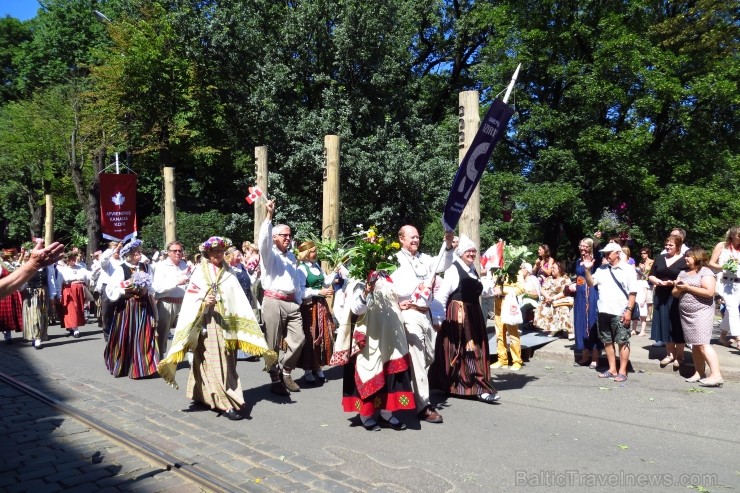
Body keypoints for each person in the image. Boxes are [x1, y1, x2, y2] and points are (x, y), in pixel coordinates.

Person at [157, 237, 275, 420]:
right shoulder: (199, 272)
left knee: (225, 361)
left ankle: (202, 395)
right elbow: (191, 296)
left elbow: (237, 298)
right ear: (207, 253)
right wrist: (203, 301)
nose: (219, 254)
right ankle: (225, 402)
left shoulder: (229, 272)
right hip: (206, 322)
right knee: (211, 360)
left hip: (226, 323)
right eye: (215, 251)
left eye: (221, 251)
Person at [331, 272, 416, 431]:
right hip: (372, 337)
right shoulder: (359, 278)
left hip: (390, 338)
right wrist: (367, 291)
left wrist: (399, 304)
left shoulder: (388, 277)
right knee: (370, 370)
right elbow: (357, 309)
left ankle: (386, 413)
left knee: (391, 373)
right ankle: (366, 415)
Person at [390, 225, 454, 424]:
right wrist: (411, 291)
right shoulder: (395, 260)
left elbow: (443, 264)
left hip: (426, 314)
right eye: (412, 237)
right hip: (409, 313)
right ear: (401, 239)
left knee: (428, 357)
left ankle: (407, 389)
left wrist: (449, 245)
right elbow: (391, 286)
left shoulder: (424, 259)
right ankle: (424, 406)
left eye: (417, 237)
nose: (416, 240)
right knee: (418, 359)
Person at [431, 235, 501, 402]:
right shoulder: (454, 269)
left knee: (475, 349)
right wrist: (438, 318)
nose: (472, 254)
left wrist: (493, 289)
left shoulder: (472, 269)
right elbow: (442, 295)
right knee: (467, 350)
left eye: (474, 251)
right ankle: (478, 388)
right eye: (468, 251)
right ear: (461, 252)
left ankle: (464, 386)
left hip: (474, 313)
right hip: (459, 315)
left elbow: (477, 290)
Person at [258, 199, 306, 395]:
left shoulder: (291, 256)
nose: (288, 238)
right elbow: (263, 240)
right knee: (272, 343)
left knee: (299, 339)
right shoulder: (270, 255)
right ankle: (274, 377)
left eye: (289, 235)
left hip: (291, 303)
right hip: (273, 302)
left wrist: (298, 300)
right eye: (284, 235)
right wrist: (269, 216)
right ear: (274, 237)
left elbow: (295, 281)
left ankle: (285, 371)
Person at [103, 240, 159, 379]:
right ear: (129, 255)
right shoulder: (121, 269)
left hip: (144, 306)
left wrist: (147, 289)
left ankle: (143, 368)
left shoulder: (146, 267)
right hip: (127, 307)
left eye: (139, 252)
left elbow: (153, 285)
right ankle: (124, 365)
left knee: (145, 335)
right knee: (126, 336)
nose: (139, 255)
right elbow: (112, 289)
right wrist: (126, 289)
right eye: (137, 253)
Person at [583, 242, 637, 382]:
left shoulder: (628, 269)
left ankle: (622, 371)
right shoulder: (601, 269)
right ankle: (612, 369)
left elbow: (633, 292)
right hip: (603, 311)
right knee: (607, 341)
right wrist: (587, 271)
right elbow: (590, 283)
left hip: (620, 311)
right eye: (605, 253)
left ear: (617, 253)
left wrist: (629, 311)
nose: (606, 255)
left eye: (609, 253)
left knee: (622, 341)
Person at [673, 248, 723, 387]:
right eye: (685, 256)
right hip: (686, 314)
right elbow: (675, 293)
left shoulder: (706, 272)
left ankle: (716, 375)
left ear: (697, 257)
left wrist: (688, 287)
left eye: (689, 256)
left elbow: (709, 292)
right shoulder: (683, 273)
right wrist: (679, 288)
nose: (686, 259)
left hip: (702, 312)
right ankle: (699, 372)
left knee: (702, 343)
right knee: (695, 343)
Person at [296, 241, 336, 385]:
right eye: (313, 251)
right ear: (306, 254)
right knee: (311, 336)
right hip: (309, 307)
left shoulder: (317, 266)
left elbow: (325, 283)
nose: (315, 253)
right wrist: (319, 291)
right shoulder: (301, 269)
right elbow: (300, 291)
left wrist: (335, 271)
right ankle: (308, 369)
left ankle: (318, 367)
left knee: (323, 335)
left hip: (321, 305)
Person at [648, 234, 687, 367]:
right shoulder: (660, 257)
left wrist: (674, 282)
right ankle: (670, 354)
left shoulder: (683, 259)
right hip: (661, 295)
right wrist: (658, 281)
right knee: (665, 324)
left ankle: (680, 356)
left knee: (677, 325)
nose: (667, 247)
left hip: (677, 295)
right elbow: (651, 275)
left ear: (678, 247)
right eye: (666, 244)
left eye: (671, 245)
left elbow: (688, 277)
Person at [152, 241, 190, 359]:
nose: (178, 253)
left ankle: (188, 357)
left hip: (184, 303)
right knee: (162, 333)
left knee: (187, 331)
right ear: (168, 253)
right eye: (175, 251)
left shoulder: (185, 265)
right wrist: (176, 282)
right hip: (167, 303)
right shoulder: (161, 266)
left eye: (180, 250)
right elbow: (157, 288)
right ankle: (159, 359)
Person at [568, 238, 602, 368]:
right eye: (580, 245)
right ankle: (584, 355)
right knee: (581, 322)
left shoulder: (596, 260)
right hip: (580, 295)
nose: (582, 248)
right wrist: (574, 284)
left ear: (590, 247)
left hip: (592, 292)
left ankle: (595, 357)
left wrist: (597, 239)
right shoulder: (578, 260)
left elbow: (598, 251)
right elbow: (579, 277)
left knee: (592, 322)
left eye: (585, 246)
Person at [708, 226, 740, 349]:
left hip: (739, 283)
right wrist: (724, 267)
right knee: (733, 309)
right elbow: (711, 263)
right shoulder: (722, 246)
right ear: (732, 235)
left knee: (730, 311)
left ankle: (722, 336)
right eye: (739, 236)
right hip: (726, 283)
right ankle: (738, 338)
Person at [20, 248, 58, 348]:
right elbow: (22, 282)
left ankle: (40, 335)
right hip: (32, 294)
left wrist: (52, 296)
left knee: (43, 316)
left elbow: (51, 281)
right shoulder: (27, 267)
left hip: (43, 294)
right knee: (34, 316)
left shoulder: (47, 267)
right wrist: (24, 289)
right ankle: (36, 338)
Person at [56, 251, 92, 338]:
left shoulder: (81, 268)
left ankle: (72, 326)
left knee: (78, 309)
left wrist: (97, 270)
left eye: (74, 259)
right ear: (67, 261)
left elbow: (89, 276)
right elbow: (59, 283)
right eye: (71, 259)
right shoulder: (62, 270)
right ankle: (75, 329)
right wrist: (58, 295)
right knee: (72, 309)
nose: (73, 261)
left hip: (79, 290)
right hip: (69, 290)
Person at [534, 261, 573, 338]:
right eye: (551, 268)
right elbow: (542, 289)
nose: (551, 269)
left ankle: (569, 331)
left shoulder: (565, 279)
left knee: (563, 309)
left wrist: (553, 298)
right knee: (540, 307)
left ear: (560, 269)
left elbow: (565, 292)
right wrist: (547, 297)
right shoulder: (549, 278)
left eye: (553, 268)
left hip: (560, 299)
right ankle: (553, 328)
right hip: (548, 298)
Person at [97, 242, 123, 341]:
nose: (117, 249)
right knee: (107, 312)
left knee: (121, 311)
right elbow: (103, 259)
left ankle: (119, 333)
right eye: (115, 247)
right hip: (107, 287)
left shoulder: (123, 260)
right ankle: (108, 335)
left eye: (119, 248)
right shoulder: (107, 261)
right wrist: (114, 249)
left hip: (120, 288)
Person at [519, 262, 540, 330]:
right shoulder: (520, 280)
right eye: (521, 268)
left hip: (532, 301)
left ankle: (520, 328)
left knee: (523, 308)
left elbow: (537, 294)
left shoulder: (533, 279)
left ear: (528, 270)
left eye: (523, 268)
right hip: (521, 301)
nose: (521, 269)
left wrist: (526, 294)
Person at [631, 269, 649, 337]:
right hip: (636, 300)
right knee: (635, 316)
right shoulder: (634, 282)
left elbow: (645, 292)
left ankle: (642, 331)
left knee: (642, 316)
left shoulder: (644, 282)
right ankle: (633, 330)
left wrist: (644, 300)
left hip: (641, 300)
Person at [638, 247, 654, 321]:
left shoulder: (652, 262)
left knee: (649, 300)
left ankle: (649, 315)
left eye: (644, 253)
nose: (642, 255)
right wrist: (641, 269)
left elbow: (654, 272)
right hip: (642, 282)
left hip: (650, 282)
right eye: (641, 253)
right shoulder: (641, 263)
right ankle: (642, 315)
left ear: (648, 254)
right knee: (642, 299)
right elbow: (641, 274)